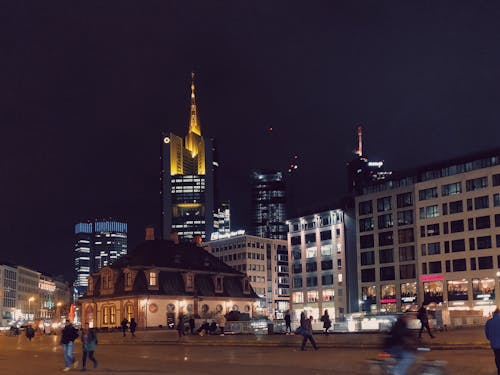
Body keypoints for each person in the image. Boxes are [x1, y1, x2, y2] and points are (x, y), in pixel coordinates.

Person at [485, 308, 500, 375]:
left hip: (494, 344)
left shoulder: (489, 322)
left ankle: (499, 370)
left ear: (494, 314)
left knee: (497, 357)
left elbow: (487, 333)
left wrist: (491, 339)